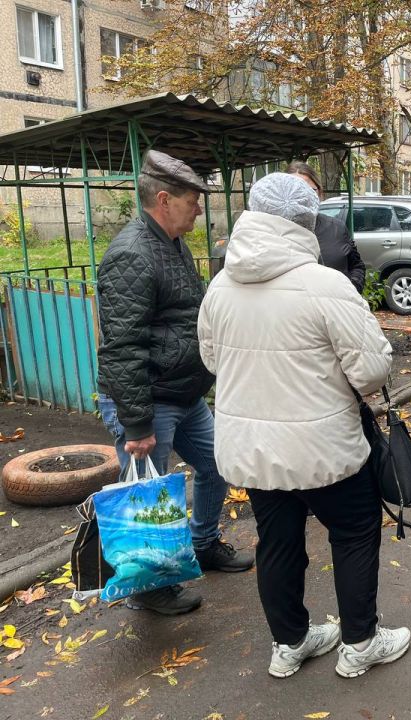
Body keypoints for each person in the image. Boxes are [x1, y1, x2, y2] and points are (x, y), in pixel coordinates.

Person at [197, 173, 410, 680]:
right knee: (356, 533)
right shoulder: (324, 285)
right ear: (307, 222)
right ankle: (360, 642)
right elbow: (371, 370)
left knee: (278, 542)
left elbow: (211, 359)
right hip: (323, 448)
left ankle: (290, 643)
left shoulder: (221, 285)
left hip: (253, 450)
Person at [96, 150, 254, 617]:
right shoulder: (131, 254)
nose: (200, 209)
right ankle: (148, 584)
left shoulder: (171, 243)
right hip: (150, 402)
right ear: (164, 200)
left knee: (216, 466)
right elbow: (122, 347)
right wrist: (138, 422)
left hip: (183, 394)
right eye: (193, 200)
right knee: (149, 494)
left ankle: (204, 544)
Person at [286, 160, 366, 293]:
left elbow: (356, 266)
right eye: (296, 190)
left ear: (320, 193)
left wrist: (352, 289)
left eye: (310, 190)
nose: (303, 196)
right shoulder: (273, 231)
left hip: (337, 308)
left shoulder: (336, 228)